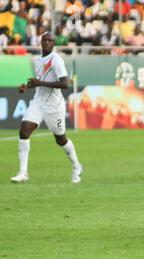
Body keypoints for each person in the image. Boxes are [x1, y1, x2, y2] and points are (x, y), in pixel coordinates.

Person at [11, 33, 83, 184]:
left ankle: (76, 166)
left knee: (60, 139)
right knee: (24, 131)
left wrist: (39, 83)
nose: (46, 43)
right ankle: (23, 172)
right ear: (40, 41)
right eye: (44, 40)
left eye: (50, 41)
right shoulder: (37, 60)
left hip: (54, 107)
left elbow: (64, 84)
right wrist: (26, 87)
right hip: (38, 102)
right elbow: (39, 81)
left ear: (54, 44)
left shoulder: (56, 60)